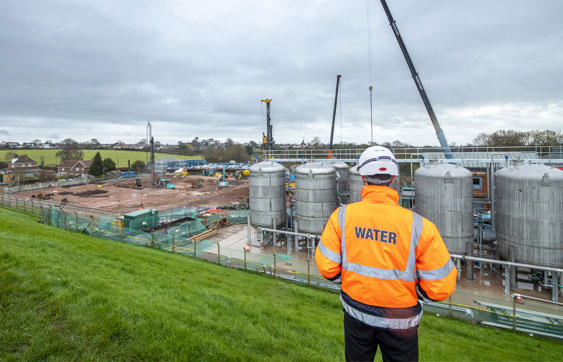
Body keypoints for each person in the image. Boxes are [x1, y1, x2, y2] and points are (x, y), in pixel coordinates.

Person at [315, 146, 457, 362]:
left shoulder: (342, 216)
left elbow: (327, 266)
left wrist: (353, 282)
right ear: (393, 178)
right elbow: (441, 286)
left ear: (362, 178)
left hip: (356, 313)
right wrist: (413, 292)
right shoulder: (420, 226)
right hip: (400, 321)